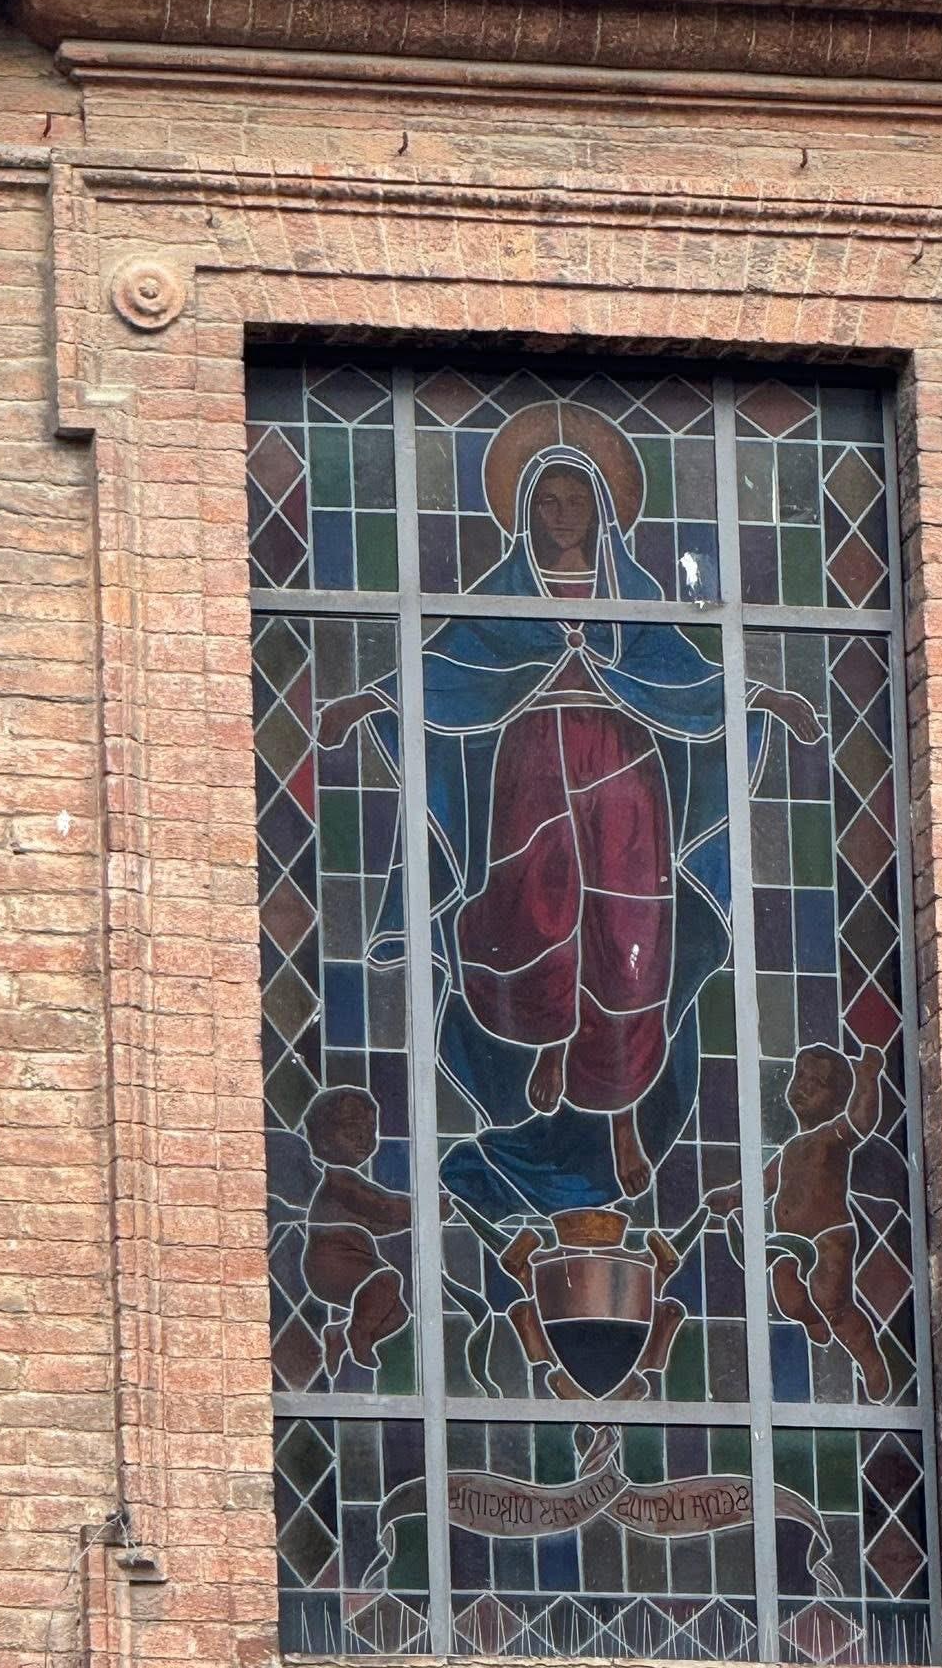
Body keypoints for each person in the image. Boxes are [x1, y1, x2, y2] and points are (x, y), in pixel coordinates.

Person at [317, 404, 821, 1225]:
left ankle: (622, 1115)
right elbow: (447, 667)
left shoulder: (638, 595)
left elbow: (683, 678)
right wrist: (366, 702)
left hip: (622, 776)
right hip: (532, 776)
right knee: (538, 925)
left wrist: (768, 697)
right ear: (522, 512)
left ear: (600, 508)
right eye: (545, 501)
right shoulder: (505, 596)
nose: (560, 515)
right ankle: (550, 1049)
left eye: (574, 500)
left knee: (630, 941)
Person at [707, 1044, 894, 1401]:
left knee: (832, 1301)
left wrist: (868, 1077)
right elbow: (764, 1184)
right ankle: (811, 1321)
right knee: (787, 1298)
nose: (803, 1086)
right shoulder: (791, 1149)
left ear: (838, 1100)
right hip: (788, 1242)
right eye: (800, 1076)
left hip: (829, 1237)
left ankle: (870, 1360)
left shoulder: (832, 1137)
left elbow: (862, 1121)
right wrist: (732, 1195)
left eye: (817, 1082)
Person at [300, 1087, 411, 1374]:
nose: (364, 1137)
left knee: (398, 1313)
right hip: (331, 1264)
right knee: (387, 1281)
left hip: (355, 1265)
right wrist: (423, 1208)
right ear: (323, 1139)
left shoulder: (347, 1185)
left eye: (370, 1129)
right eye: (351, 1128)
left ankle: (340, 1335)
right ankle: (358, 1336)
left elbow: (377, 1223)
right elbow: (381, 1205)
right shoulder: (340, 1181)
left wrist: (416, 1219)